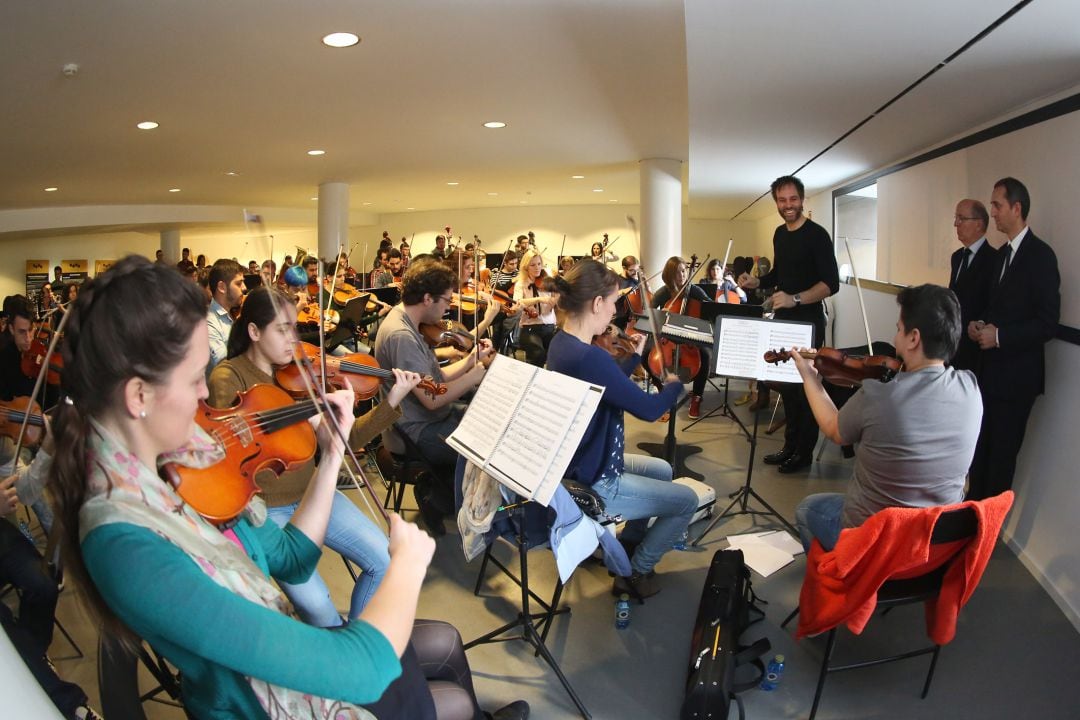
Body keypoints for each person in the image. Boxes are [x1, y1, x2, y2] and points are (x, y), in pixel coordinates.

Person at [48, 256, 527, 720]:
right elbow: (359, 670)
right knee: (450, 696)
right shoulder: (128, 544)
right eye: (195, 378)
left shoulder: (175, 468)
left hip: (283, 654)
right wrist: (405, 565)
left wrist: (334, 449)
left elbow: (292, 556)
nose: (202, 396)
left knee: (445, 644)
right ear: (139, 396)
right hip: (260, 702)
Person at [208, 286, 419, 626]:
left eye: (295, 327)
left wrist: (390, 401)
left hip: (313, 496)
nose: (294, 338)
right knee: (320, 609)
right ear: (253, 332)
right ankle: (337, 657)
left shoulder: (300, 375)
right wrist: (299, 414)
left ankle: (356, 650)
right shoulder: (229, 376)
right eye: (282, 329)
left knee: (385, 560)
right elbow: (233, 449)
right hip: (268, 512)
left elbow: (343, 441)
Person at [545, 260, 696, 599]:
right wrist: (674, 385)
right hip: (597, 476)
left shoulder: (562, 344)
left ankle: (628, 542)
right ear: (597, 303)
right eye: (612, 302)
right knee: (686, 501)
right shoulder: (589, 357)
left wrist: (634, 358)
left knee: (661, 468)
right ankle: (635, 571)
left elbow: (606, 384)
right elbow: (648, 408)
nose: (614, 311)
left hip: (582, 459)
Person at [793, 284, 981, 552]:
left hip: (875, 540)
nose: (895, 340)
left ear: (914, 338)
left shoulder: (880, 394)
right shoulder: (971, 388)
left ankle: (843, 577)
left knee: (808, 509)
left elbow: (834, 430)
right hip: (934, 540)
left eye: (898, 329)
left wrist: (810, 377)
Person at [373, 257, 496, 533]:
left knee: (488, 424)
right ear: (428, 298)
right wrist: (475, 375)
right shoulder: (401, 335)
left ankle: (441, 489)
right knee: (485, 446)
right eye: (446, 300)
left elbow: (433, 379)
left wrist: (469, 361)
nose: (449, 307)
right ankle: (438, 498)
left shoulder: (405, 319)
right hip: (415, 430)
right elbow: (433, 399)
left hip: (428, 419)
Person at [967, 177, 1060, 501]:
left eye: (997, 205)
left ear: (1016, 208)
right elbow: (997, 309)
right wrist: (981, 325)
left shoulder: (1041, 256)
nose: (992, 212)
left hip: (1017, 379)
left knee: (1002, 458)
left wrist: (1001, 336)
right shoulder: (1002, 255)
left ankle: (986, 530)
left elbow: (1047, 323)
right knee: (979, 449)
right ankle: (968, 521)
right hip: (989, 374)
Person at [739, 175, 840, 473]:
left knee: (805, 389)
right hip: (783, 321)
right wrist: (757, 281)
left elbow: (830, 284)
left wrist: (795, 299)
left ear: (802, 199)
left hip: (808, 321)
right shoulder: (780, 234)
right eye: (782, 201)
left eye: (793, 199)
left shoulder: (817, 235)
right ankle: (789, 446)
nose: (788, 206)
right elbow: (779, 275)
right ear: (776, 203)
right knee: (787, 389)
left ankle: (803, 453)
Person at [651, 256, 712, 420]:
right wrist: (660, 316)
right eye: (678, 272)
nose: (683, 275)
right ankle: (662, 390)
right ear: (670, 275)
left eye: (684, 270)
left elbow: (711, 307)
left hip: (691, 337)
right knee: (645, 356)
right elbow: (649, 311)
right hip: (668, 337)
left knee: (705, 356)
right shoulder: (664, 292)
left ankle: (697, 396)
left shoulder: (694, 290)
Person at [948, 199, 996, 372]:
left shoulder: (994, 260)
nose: (956, 224)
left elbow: (993, 303)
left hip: (976, 350)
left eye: (961, 218)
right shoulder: (957, 257)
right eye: (956, 218)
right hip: (953, 345)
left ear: (978, 224)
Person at [512, 248, 557, 367]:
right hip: (530, 326)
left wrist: (555, 299)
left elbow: (557, 299)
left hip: (549, 324)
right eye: (532, 265)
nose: (537, 268)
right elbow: (517, 302)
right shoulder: (521, 283)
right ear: (526, 267)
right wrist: (538, 299)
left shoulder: (547, 281)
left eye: (539, 264)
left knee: (554, 357)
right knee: (538, 354)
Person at [205, 258, 245, 375]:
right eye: (238, 283)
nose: (244, 288)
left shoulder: (233, 313)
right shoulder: (208, 324)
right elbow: (224, 366)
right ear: (222, 287)